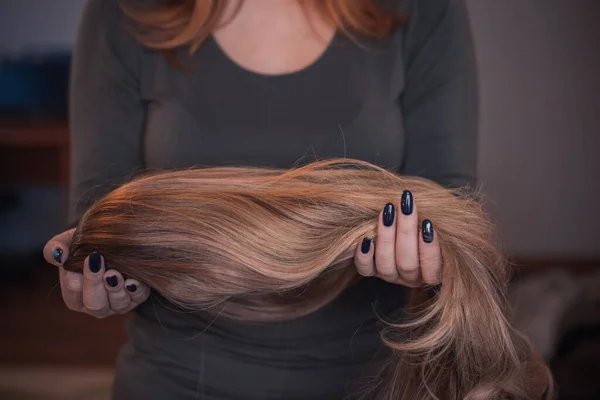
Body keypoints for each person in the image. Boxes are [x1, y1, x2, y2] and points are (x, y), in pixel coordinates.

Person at [43, 0, 477, 398]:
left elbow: (454, 213)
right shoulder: (123, 11)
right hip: (174, 378)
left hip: (371, 381)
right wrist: (104, 263)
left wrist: (434, 258)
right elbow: (99, 208)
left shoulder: (420, 9)